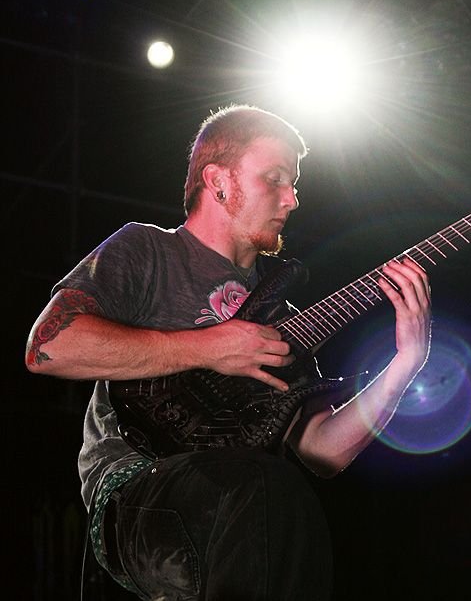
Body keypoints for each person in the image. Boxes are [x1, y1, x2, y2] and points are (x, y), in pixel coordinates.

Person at [25, 104, 432, 600]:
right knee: (265, 483)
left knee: (291, 499)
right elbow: (49, 346)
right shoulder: (147, 250)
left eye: (293, 184)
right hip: (138, 491)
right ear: (218, 181)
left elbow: (321, 450)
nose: (292, 199)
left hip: (244, 507)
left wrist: (404, 366)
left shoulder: (282, 315)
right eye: (274, 179)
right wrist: (210, 346)